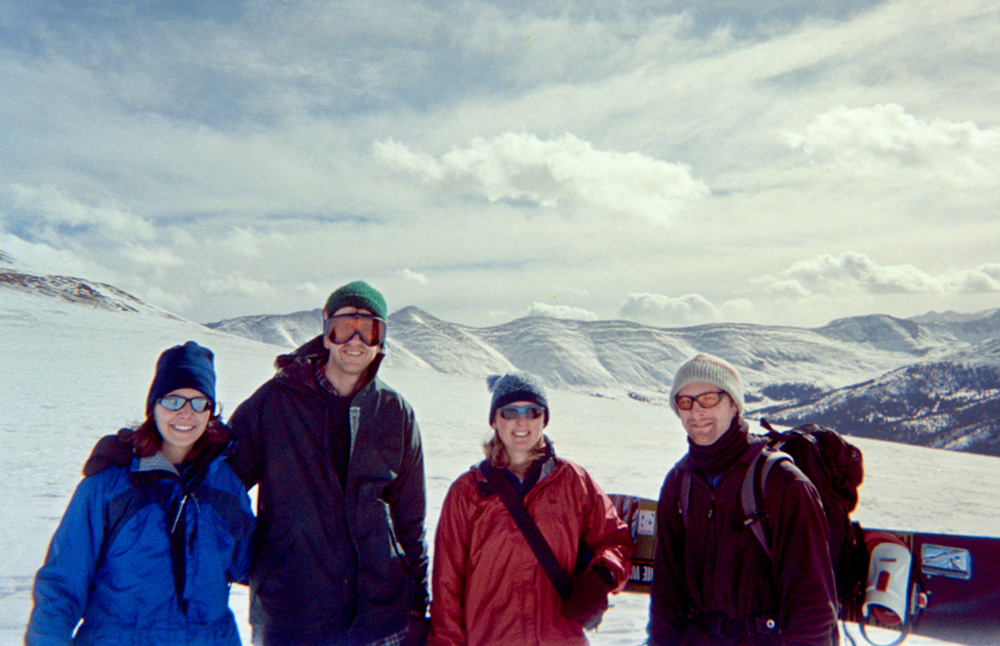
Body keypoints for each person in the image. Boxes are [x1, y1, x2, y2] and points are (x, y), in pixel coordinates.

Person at [226, 280, 429, 646]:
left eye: (368, 330)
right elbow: (218, 481)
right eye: (343, 327)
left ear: (381, 339)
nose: (355, 341)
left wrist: (417, 603)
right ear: (326, 331)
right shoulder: (275, 402)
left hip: (379, 617)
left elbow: (410, 520)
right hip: (292, 617)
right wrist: (264, 561)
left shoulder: (395, 412)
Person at [25, 341, 255, 646]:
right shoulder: (108, 485)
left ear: (211, 412)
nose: (186, 413)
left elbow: (251, 563)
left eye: (199, 402)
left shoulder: (225, 484)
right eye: (173, 401)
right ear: (153, 407)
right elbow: (62, 584)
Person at [647, 353, 839, 646]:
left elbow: (812, 605)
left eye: (709, 398)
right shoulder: (679, 482)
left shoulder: (782, 483)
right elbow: (667, 594)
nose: (696, 411)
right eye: (685, 402)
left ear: (734, 403)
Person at [429, 372, 633, 646]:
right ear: (494, 420)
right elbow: (447, 587)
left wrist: (601, 576)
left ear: (544, 419)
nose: (521, 421)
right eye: (510, 411)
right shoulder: (467, 492)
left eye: (532, 411)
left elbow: (615, 540)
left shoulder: (573, 481)